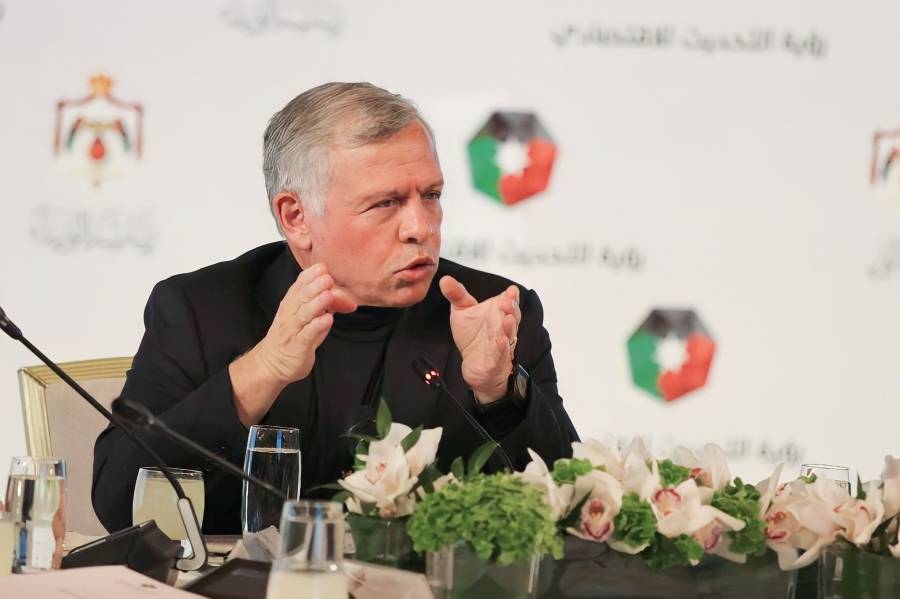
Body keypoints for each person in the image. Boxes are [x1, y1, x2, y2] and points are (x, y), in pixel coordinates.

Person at [92, 82, 579, 534]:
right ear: (296, 217)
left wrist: (499, 392)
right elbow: (120, 502)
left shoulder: (492, 312)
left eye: (431, 196)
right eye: (385, 203)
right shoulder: (202, 310)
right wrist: (263, 370)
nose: (421, 227)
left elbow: (573, 511)